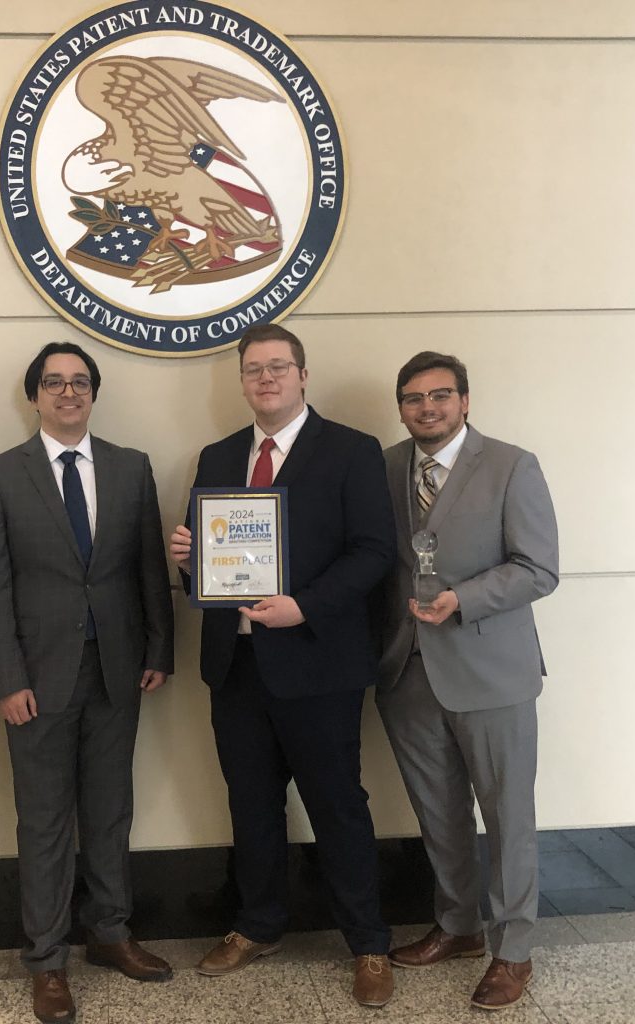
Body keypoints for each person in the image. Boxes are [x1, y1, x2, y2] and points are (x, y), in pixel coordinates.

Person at [169, 324, 398, 1008]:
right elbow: (206, 570)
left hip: (319, 663)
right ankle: (258, 925)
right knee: (252, 805)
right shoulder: (217, 456)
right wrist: (188, 561)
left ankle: (368, 943)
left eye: (277, 366)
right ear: (242, 382)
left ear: (302, 375)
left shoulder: (352, 450)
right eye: (253, 369)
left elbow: (373, 551)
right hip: (235, 665)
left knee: (338, 806)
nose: (265, 378)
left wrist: (305, 606)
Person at [0, 342, 175, 1024]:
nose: (68, 392)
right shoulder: (0, 474)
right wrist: (5, 678)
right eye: (53, 382)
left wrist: (159, 648)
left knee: (111, 810)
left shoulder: (130, 466)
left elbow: (149, 567)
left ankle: (110, 932)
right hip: (36, 679)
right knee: (45, 819)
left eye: (79, 381)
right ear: (34, 396)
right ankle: (47, 958)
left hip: (118, 669)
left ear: (93, 393)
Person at [375, 351, 559, 1010]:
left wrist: (465, 600)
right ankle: (457, 926)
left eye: (440, 395)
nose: (427, 407)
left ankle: (513, 950)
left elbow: (538, 568)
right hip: (407, 672)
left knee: (508, 816)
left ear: (465, 400)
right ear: (401, 407)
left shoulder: (511, 465)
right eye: (414, 397)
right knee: (439, 814)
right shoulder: (385, 467)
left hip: (490, 672)